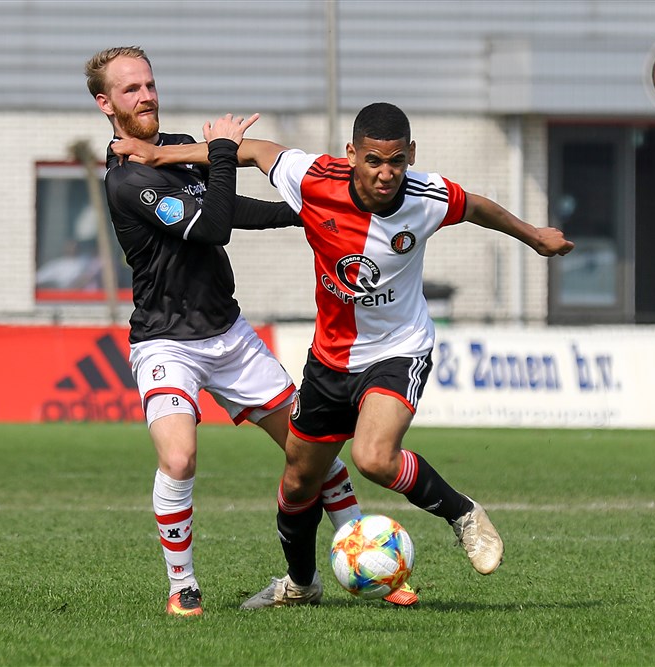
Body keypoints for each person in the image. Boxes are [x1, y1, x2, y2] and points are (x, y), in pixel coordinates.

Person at [114, 101, 574, 608]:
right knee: (297, 482)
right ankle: (300, 585)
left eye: (397, 161)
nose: (386, 174)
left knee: (372, 457)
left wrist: (533, 237)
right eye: (374, 160)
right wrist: (160, 157)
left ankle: (462, 513)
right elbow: (257, 152)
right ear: (352, 154)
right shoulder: (315, 177)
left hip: (398, 351)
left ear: (411, 156)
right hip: (330, 360)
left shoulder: (428, 195)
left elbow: (478, 207)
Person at [84, 49, 418, 616]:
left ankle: (371, 562)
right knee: (180, 458)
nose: (146, 96)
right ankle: (182, 585)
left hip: (228, 333)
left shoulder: (172, 150)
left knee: (310, 453)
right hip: (166, 340)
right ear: (106, 103)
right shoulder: (126, 181)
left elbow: (228, 205)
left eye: (149, 84)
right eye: (130, 89)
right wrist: (218, 150)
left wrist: (305, 212)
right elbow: (212, 227)